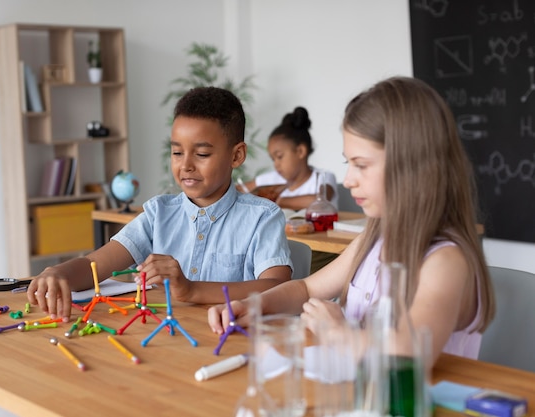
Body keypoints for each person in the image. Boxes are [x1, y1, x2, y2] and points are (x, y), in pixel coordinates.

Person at [209, 76, 495, 364]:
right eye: (349, 164)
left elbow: (411, 356)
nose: (349, 180)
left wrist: (338, 333)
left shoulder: (445, 260)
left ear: (412, 166)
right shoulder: (374, 240)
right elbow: (306, 289)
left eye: (361, 165)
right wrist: (254, 305)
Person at [28, 86, 292, 321]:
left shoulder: (262, 217)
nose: (186, 165)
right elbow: (95, 266)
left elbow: (277, 287)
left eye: (201, 154)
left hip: (230, 344)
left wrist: (191, 289)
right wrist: (57, 272)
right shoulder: (158, 213)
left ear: (236, 155)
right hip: (166, 342)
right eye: (177, 152)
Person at [241, 106, 339, 211]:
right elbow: (241, 188)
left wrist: (277, 200)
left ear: (300, 151)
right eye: (273, 159)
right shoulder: (274, 178)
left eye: (279, 157)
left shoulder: (322, 177)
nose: (276, 164)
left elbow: (320, 200)